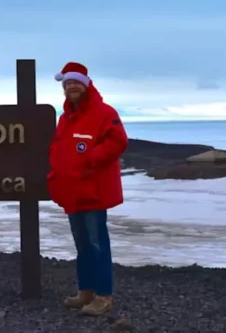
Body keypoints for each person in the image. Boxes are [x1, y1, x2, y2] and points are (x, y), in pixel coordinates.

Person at [47, 62, 128, 316]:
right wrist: (55, 175)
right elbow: (60, 150)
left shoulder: (104, 112)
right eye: (67, 83)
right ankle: (86, 291)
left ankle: (104, 296)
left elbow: (118, 141)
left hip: (94, 190)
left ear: (85, 84)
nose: (71, 87)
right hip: (73, 191)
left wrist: (90, 158)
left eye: (75, 82)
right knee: (82, 245)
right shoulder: (65, 117)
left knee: (97, 244)